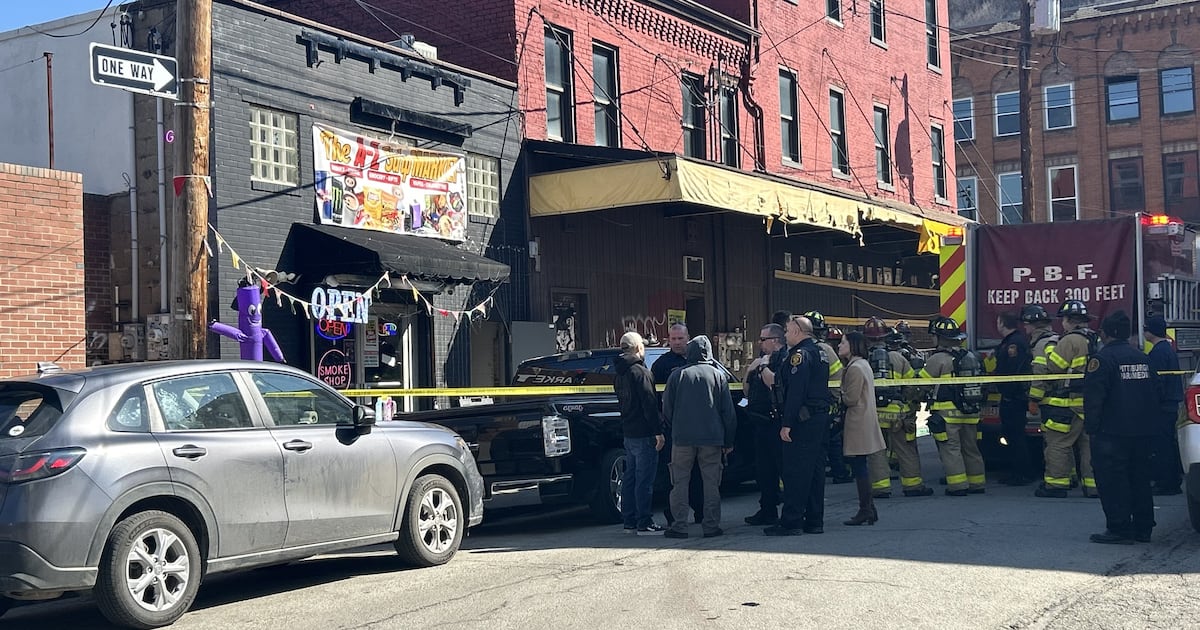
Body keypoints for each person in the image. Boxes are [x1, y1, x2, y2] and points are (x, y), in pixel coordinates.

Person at [1083, 310, 1158, 544]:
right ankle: (1144, 528)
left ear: (1105, 333)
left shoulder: (1102, 360)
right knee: (1140, 479)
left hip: (1111, 434)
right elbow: (1156, 393)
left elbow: (1094, 399)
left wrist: (1092, 429)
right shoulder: (1143, 358)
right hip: (1142, 432)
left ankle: (1119, 528)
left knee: (1113, 481)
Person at [662, 335, 737, 539]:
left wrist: (676, 426)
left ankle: (679, 526)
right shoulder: (718, 375)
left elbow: (666, 409)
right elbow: (728, 413)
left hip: (682, 438)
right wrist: (728, 440)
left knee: (680, 482)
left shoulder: (677, 376)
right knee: (711, 483)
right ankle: (711, 526)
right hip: (712, 438)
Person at [764, 317, 833, 536]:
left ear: (796, 331)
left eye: (787, 331)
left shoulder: (799, 356)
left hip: (802, 421)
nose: (785, 335)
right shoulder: (820, 352)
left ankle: (791, 522)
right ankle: (814, 520)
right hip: (818, 419)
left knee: (796, 472)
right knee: (815, 471)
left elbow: (796, 392)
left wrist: (787, 424)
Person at [1037, 300, 1098, 499]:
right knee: (1088, 445)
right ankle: (1093, 486)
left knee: (1058, 443)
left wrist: (1049, 351)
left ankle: (1056, 485)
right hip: (1090, 403)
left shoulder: (1070, 340)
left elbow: (1055, 366)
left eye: (1063, 319)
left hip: (1068, 404)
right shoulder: (1094, 338)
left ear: (1069, 320)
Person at [920, 316, 986, 496]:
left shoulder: (938, 359)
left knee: (951, 449)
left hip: (948, 415)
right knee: (971, 449)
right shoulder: (971, 356)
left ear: (940, 338)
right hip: (972, 412)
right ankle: (977, 483)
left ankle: (957, 486)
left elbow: (921, 384)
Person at [613, 332, 666, 535]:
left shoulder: (619, 372)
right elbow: (650, 405)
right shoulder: (640, 372)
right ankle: (644, 521)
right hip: (644, 432)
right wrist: (658, 432)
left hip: (629, 431)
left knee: (630, 478)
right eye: (642, 346)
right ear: (637, 348)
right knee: (644, 479)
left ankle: (629, 521)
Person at [653, 323, 704, 524]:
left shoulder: (700, 361)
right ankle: (673, 516)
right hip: (673, 429)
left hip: (699, 428)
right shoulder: (661, 365)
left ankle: (701, 511)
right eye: (672, 339)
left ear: (688, 338)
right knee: (673, 475)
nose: (676, 342)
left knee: (699, 474)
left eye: (680, 338)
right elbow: (656, 400)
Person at [838, 331, 888, 526]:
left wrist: (838, 395)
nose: (839, 346)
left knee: (859, 467)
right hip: (864, 419)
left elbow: (851, 398)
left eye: (843, 343)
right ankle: (869, 509)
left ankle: (865, 509)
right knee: (861, 465)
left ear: (853, 345)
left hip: (857, 421)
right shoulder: (862, 365)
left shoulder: (855, 368)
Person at [743, 322, 787, 526]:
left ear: (775, 340)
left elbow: (774, 383)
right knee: (764, 470)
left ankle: (789, 511)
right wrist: (752, 369)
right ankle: (767, 509)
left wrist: (762, 366)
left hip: (776, 422)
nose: (760, 342)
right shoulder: (760, 360)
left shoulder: (783, 359)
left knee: (783, 468)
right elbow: (746, 390)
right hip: (759, 423)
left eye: (763, 339)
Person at [805, 311, 851, 485]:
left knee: (829, 440)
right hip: (823, 403)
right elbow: (838, 376)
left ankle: (838, 471)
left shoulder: (818, 350)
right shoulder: (825, 350)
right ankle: (839, 472)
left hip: (820, 403)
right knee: (830, 439)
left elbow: (836, 378)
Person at [1144, 315, 1184, 496]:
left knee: (1162, 446)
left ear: (1150, 331)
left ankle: (1165, 483)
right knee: (1168, 443)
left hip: (1162, 406)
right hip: (1170, 404)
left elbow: (1157, 383)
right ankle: (1173, 480)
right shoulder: (1166, 349)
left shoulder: (1158, 353)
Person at [994, 310, 1034, 485]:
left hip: (1014, 398)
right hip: (1011, 397)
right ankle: (1018, 472)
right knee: (1011, 435)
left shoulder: (1014, 344)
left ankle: (1023, 474)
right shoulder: (1011, 342)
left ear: (1002, 323)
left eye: (998, 322)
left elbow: (1013, 371)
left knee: (1016, 436)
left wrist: (1009, 392)